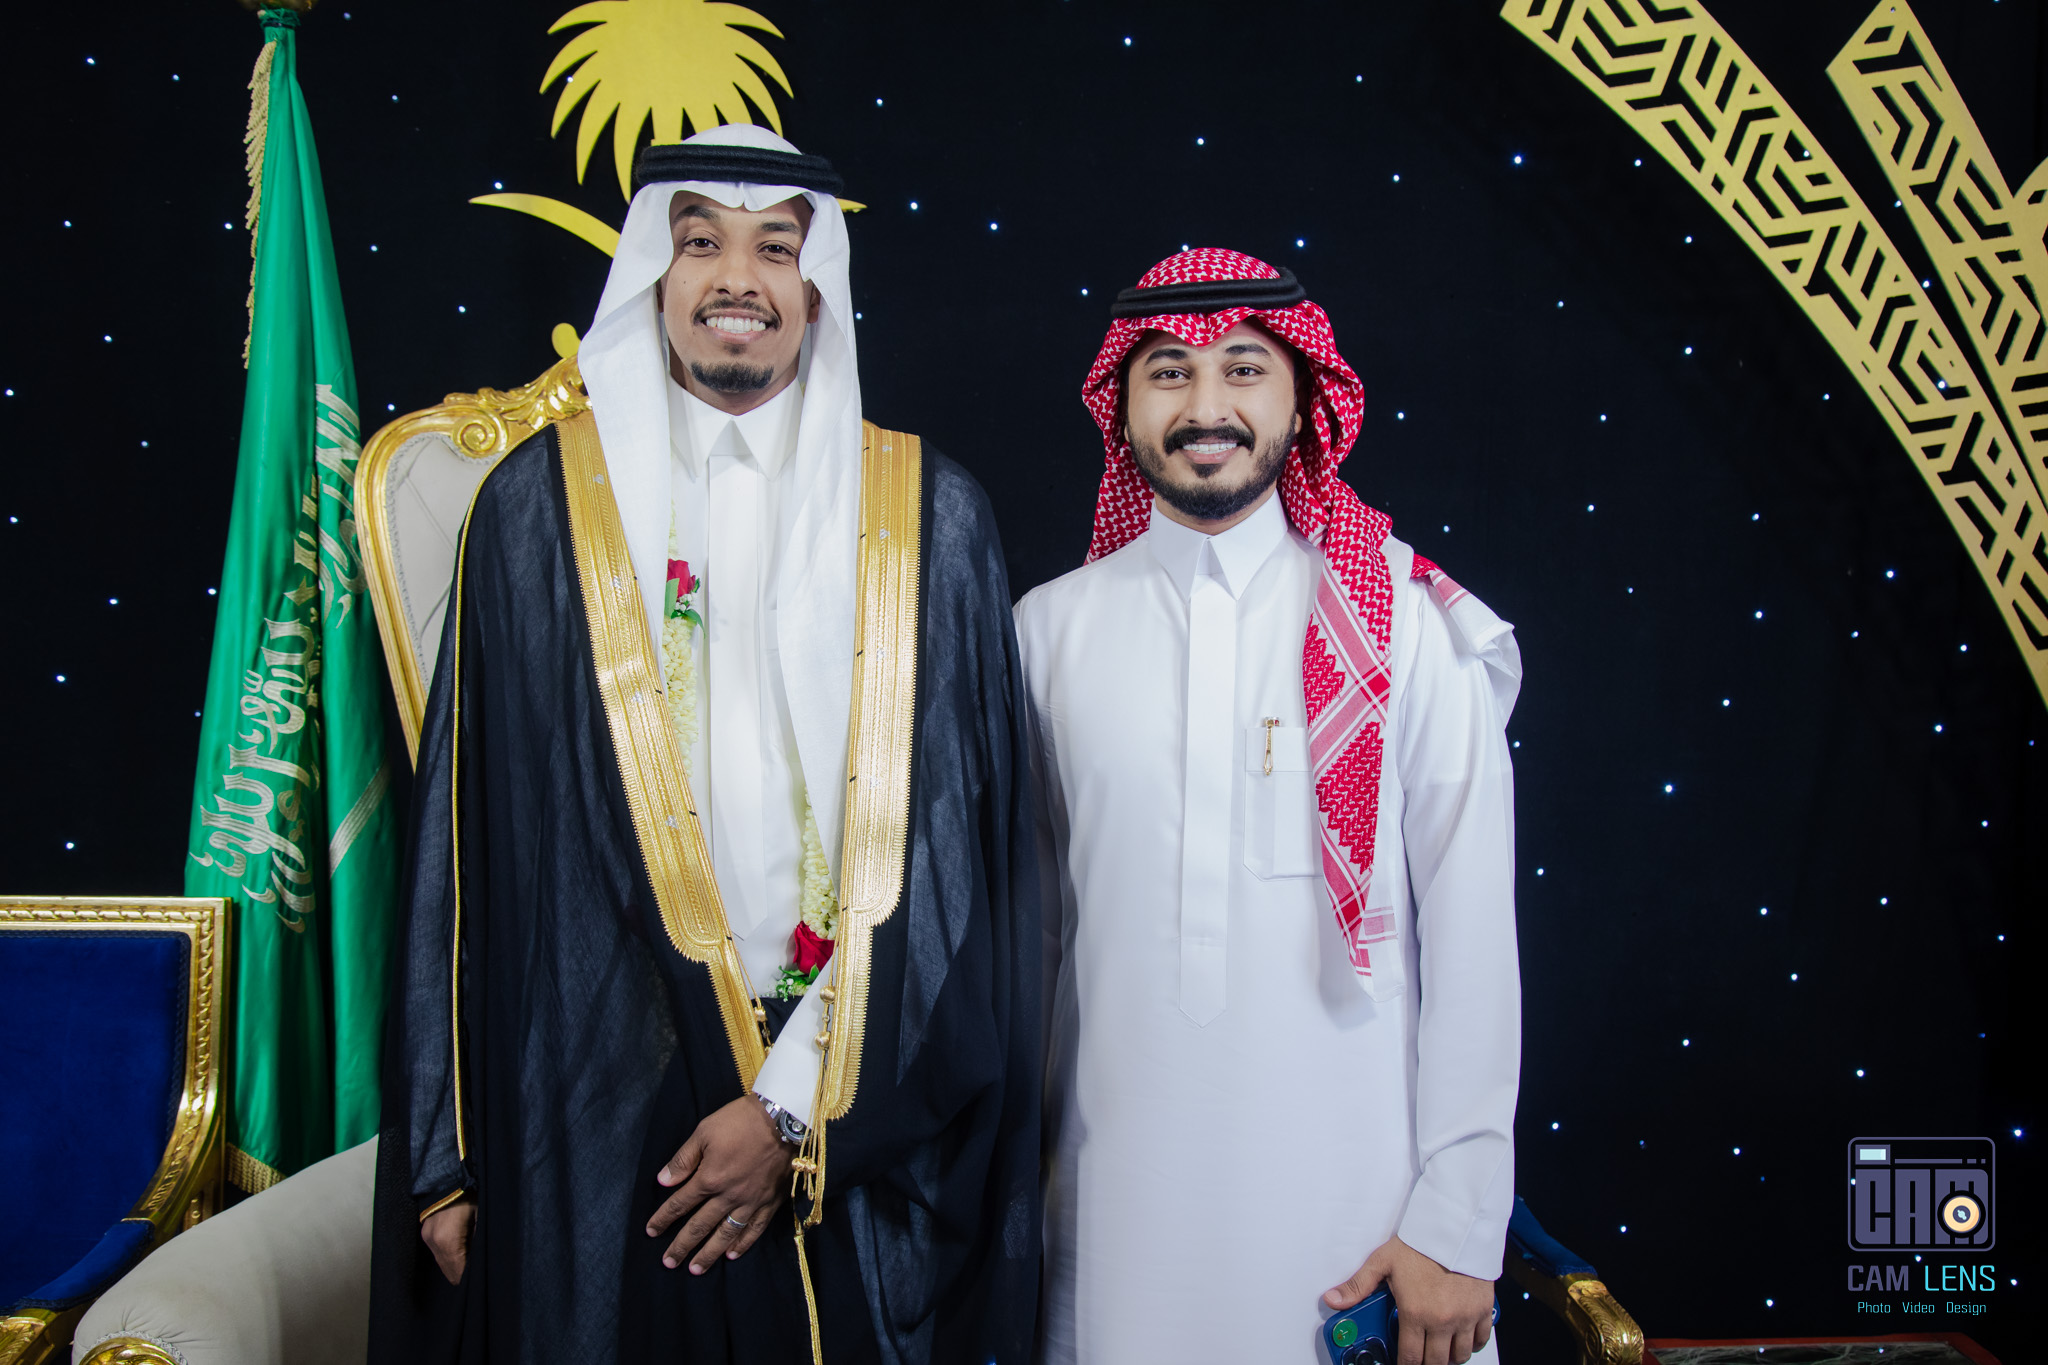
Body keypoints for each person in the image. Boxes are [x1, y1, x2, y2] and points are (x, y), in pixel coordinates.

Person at [367, 125, 1040, 1365]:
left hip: (856, 1107)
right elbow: (463, 848)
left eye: (775, 248)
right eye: (701, 243)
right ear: (654, 276)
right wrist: (441, 1152)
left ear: (815, 286)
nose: (739, 277)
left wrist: (790, 1107)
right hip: (599, 1101)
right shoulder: (536, 513)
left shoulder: (929, 518)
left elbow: (961, 861)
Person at [1016, 249, 1522, 1365]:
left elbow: (1475, 936)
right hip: (1112, 1219)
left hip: (1361, 1220)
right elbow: (1022, 949)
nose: (1206, 407)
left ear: (1302, 402)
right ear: (1121, 407)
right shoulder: (1044, 633)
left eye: (1243, 368)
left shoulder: (1405, 624)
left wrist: (1457, 1223)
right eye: (1168, 372)